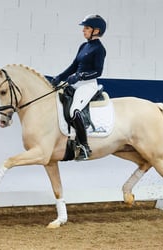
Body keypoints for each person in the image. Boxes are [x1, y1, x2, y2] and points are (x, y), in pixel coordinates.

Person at [51, 14, 107, 161]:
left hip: (88, 85)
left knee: (74, 110)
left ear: (96, 30)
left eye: (86, 28)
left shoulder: (99, 49)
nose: (83, 31)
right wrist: (59, 77)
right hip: (75, 82)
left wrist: (80, 76)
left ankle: (84, 146)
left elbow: (98, 71)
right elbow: (73, 67)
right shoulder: (83, 46)